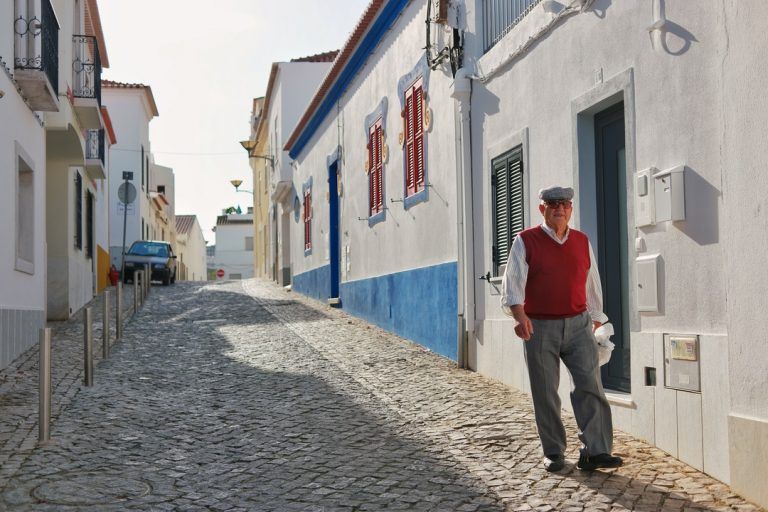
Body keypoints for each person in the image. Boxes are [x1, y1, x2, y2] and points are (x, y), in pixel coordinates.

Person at [500, 185, 622, 472]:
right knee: (545, 391)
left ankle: (596, 451)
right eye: (552, 203)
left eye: (564, 203)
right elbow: (512, 285)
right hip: (539, 325)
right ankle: (554, 451)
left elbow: (590, 281)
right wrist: (520, 316)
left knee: (590, 386)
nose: (559, 208)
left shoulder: (581, 241)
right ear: (541, 209)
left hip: (579, 324)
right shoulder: (525, 240)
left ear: (571, 209)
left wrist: (596, 317)